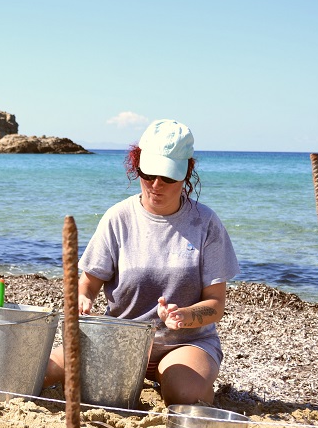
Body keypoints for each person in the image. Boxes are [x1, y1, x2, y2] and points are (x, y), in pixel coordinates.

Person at [45, 119, 238, 406]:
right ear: (137, 166)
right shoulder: (118, 217)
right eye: (148, 174)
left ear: (186, 174)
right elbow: (88, 283)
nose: (156, 185)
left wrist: (184, 316)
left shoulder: (206, 223)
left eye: (168, 177)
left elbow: (215, 305)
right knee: (42, 369)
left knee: (184, 394)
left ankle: (188, 383)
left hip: (184, 343)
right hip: (119, 340)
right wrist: (82, 300)